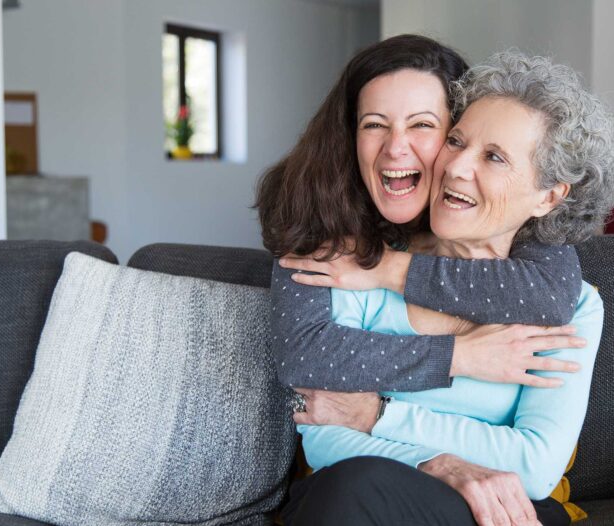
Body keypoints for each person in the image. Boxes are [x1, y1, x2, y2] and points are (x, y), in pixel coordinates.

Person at [280, 51, 614, 526]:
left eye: (493, 157)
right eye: (456, 141)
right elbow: (324, 428)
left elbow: (536, 467)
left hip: (501, 510)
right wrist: (439, 464)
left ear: (548, 196)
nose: (456, 166)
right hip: (363, 497)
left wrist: (379, 415)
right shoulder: (360, 266)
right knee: (349, 489)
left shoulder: (571, 304)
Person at [256, 35, 584, 398]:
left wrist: (388, 269)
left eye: (422, 125)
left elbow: (549, 295)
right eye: (374, 124)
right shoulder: (315, 206)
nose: (395, 148)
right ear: (349, 135)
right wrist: (458, 356)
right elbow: (301, 356)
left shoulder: (496, 212)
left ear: (456, 133)